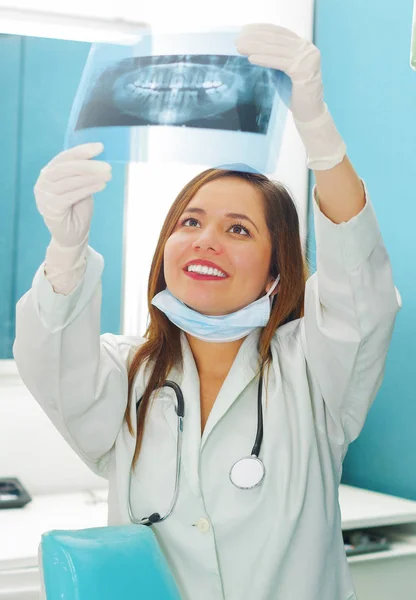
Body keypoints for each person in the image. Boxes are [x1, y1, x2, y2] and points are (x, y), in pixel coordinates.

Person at [13, 23, 401, 600]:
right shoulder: (125, 376)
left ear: (276, 272)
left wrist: (319, 134)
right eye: (189, 222)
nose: (204, 241)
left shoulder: (314, 371)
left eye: (238, 229)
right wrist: (65, 252)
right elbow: (51, 357)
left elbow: (358, 287)